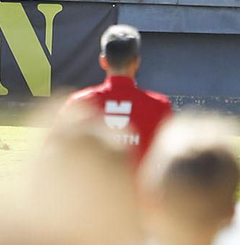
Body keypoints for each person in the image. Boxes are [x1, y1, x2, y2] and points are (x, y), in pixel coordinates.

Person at [60, 23, 172, 166]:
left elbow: (56, 158)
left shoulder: (80, 104)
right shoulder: (159, 107)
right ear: (136, 62)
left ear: (103, 61)